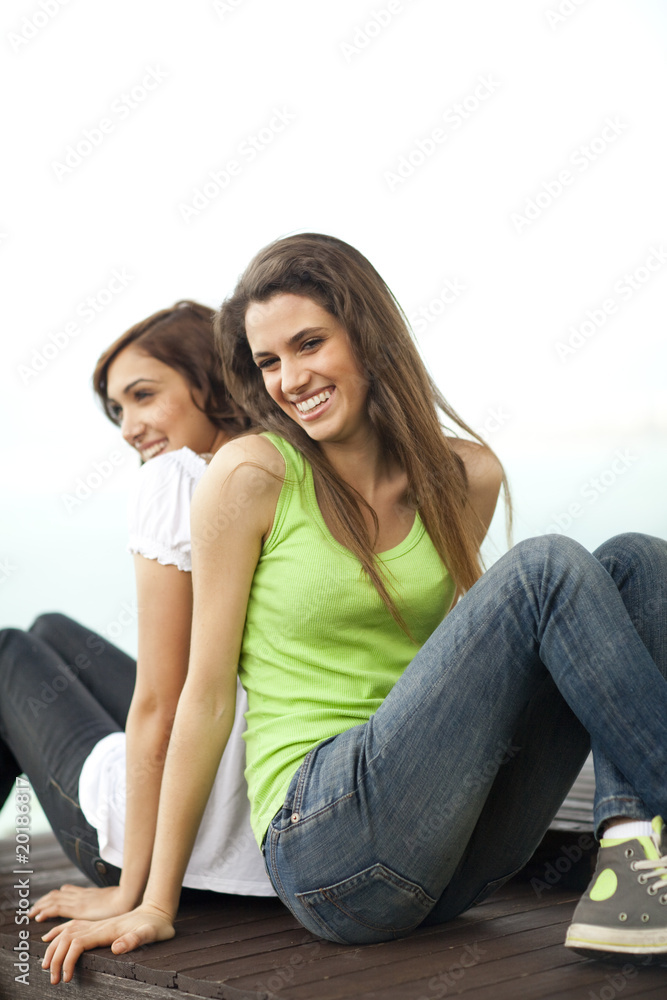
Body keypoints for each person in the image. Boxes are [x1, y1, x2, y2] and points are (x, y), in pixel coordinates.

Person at [40, 235, 667, 985]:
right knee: (545, 566)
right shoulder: (251, 475)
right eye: (269, 362)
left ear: (369, 337)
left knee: (638, 561)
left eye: (309, 344)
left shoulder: (465, 474)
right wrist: (152, 900)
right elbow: (203, 698)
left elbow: (458, 674)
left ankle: (632, 848)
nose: (290, 379)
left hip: (454, 861)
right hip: (323, 851)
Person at [0, 300, 275, 932]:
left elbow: (160, 707)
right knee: (50, 630)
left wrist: (132, 892)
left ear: (210, 379)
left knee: (9, 652)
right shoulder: (279, 467)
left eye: (143, 395)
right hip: (257, 844)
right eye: (118, 409)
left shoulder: (175, 479)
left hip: (164, 854)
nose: (128, 428)